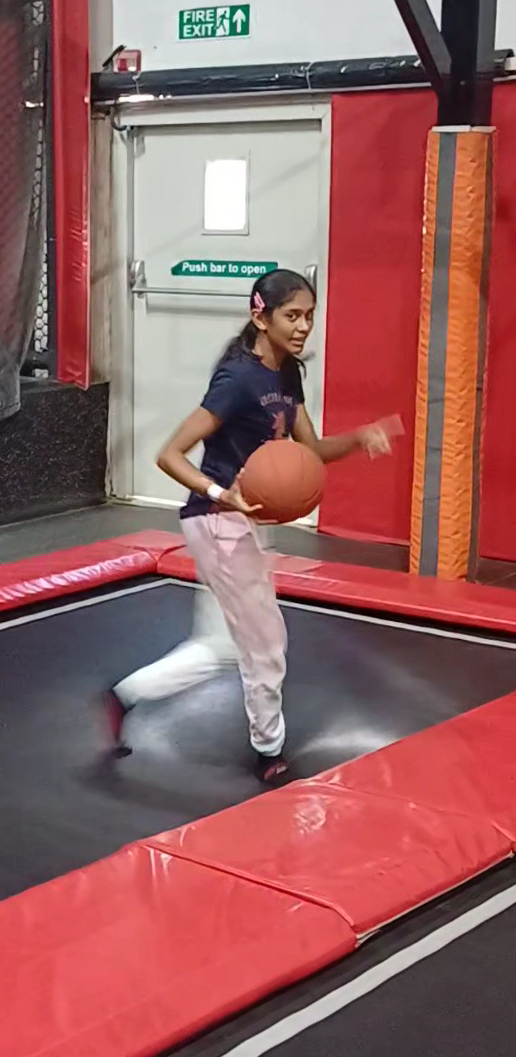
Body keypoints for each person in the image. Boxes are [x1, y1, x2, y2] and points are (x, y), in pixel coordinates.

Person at [103, 268, 393, 782]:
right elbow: (169, 454)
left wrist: (358, 438)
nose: (304, 326)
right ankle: (269, 752)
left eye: (309, 316)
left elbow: (311, 449)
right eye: (292, 316)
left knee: (222, 646)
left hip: (242, 522)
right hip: (217, 521)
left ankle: (126, 695)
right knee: (266, 645)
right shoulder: (237, 379)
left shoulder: (287, 373)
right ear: (261, 317)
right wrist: (222, 494)